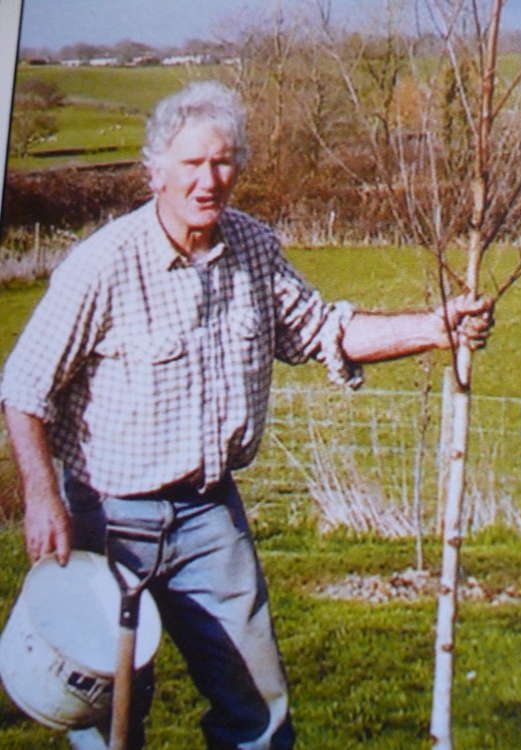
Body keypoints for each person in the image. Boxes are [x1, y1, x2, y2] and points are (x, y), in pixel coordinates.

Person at [0, 80, 493, 750]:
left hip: (210, 519)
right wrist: (40, 497)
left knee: (257, 714)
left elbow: (324, 332)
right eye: (192, 164)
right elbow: (24, 389)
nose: (209, 180)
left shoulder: (254, 249)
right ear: (155, 172)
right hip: (107, 518)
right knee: (108, 720)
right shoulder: (103, 266)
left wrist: (436, 328)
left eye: (223, 161)